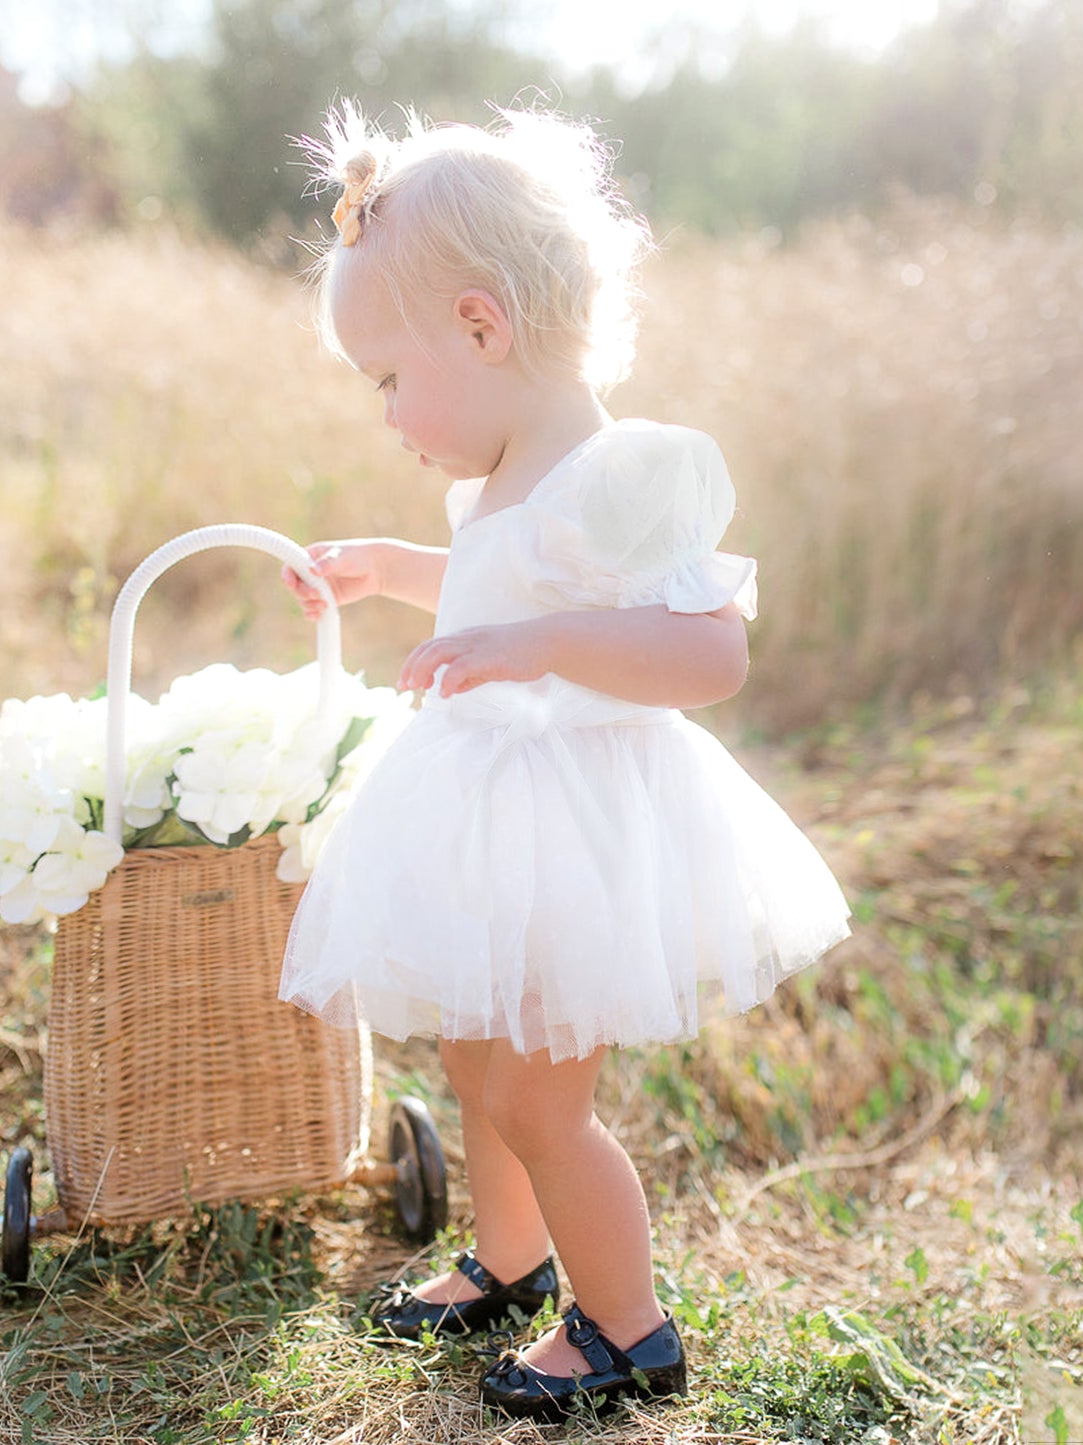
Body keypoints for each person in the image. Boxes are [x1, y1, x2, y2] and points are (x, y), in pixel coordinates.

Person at [278, 102, 850, 1420]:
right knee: (481, 1060)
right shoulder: (500, 484)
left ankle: (625, 1328)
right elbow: (497, 578)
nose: (385, 417)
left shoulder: (626, 473)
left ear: (481, 328)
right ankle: (510, 1256)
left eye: (386, 379)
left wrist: (533, 642)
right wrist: (391, 568)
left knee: (541, 1097)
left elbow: (705, 654)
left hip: (578, 831)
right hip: (492, 821)